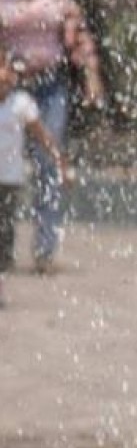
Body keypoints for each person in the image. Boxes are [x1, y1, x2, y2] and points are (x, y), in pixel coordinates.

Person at [0, 0, 104, 273]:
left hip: (50, 85)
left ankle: (46, 246)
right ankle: (4, 243)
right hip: (8, 88)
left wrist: (91, 77)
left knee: (49, 162)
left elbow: (79, 39)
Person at [0, 56, 67, 306]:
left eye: (5, 70)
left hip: (9, 179)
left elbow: (42, 135)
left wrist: (60, 160)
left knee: (5, 231)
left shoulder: (21, 104)